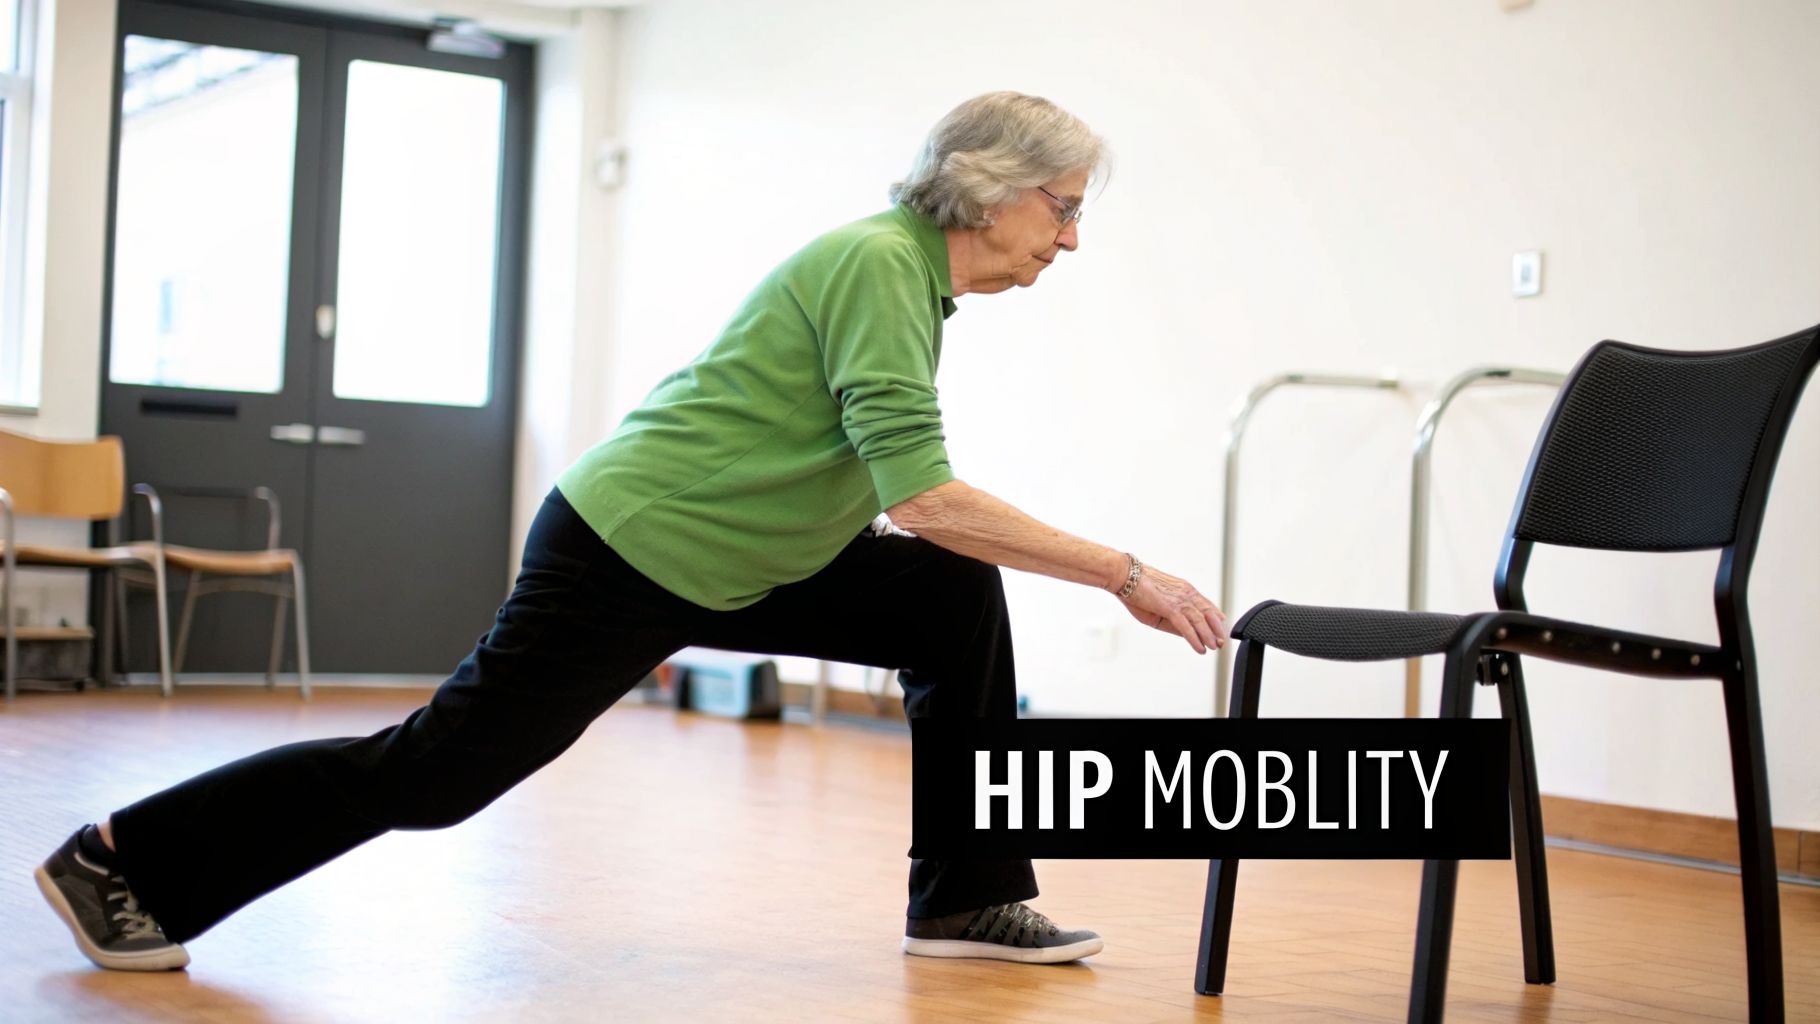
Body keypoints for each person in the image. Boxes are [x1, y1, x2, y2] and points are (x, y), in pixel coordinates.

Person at [34, 91, 1227, 973]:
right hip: (631, 551)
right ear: (987, 185)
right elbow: (925, 498)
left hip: (745, 556)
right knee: (438, 772)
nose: (1070, 239)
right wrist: (1120, 572)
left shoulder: (909, 277)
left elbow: (892, 494)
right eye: (1063, 209)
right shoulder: (878, 265)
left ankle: (966, 897)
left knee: (945, 599)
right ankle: (120, 862)